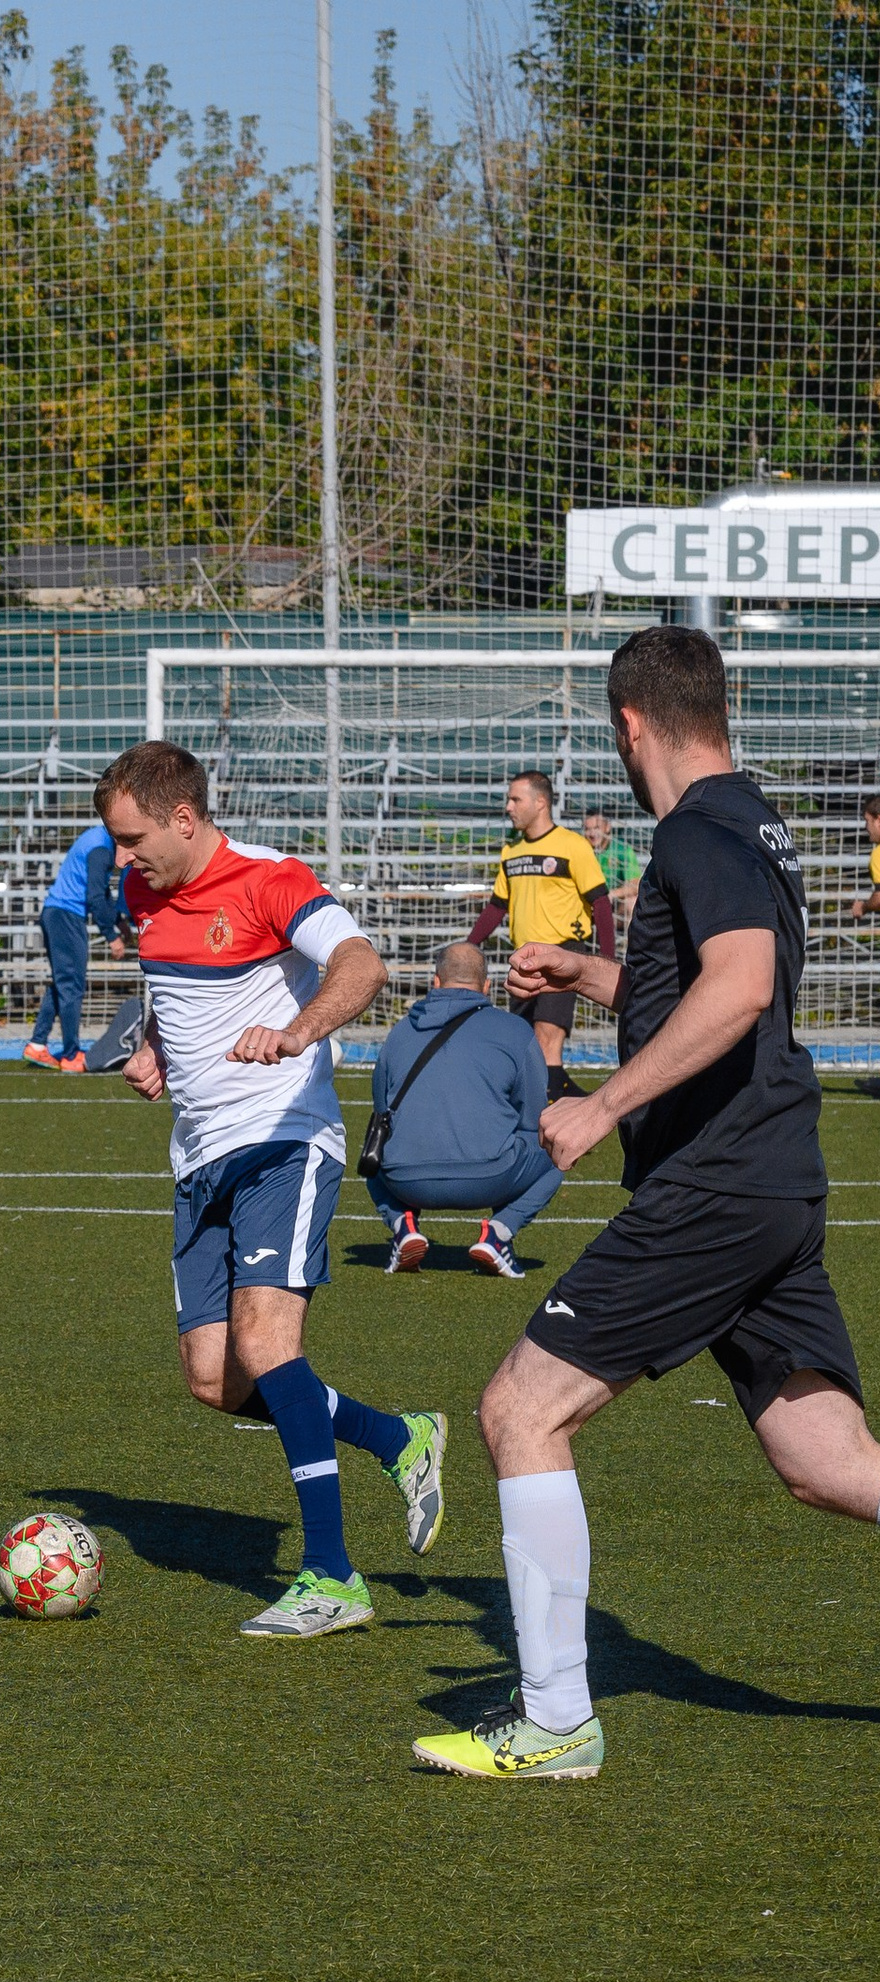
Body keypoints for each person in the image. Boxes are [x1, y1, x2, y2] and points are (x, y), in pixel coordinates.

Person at [427, 625, 880, 1781]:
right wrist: (585, 974)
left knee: (519, 1413)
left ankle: (552, 1722)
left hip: (715, 1186)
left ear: (630, 725)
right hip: (770, 1179)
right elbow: (699, 987)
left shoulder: (695, 827)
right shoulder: (756, 823)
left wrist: (598, 1107)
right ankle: (551, 1716)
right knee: (826, 1461)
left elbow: (741, 989)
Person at [101, 739, 444, 1639]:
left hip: (284, 1143)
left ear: (184, 817)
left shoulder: (271, 879)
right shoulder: (143, 889)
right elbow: (169, 993)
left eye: (134, 838)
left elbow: (363, 967)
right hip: (199, 1156)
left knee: (265, 1343)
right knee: (214, 1379)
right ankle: (395, 1437)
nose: (123, 858)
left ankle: (331, 1575)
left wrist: (298, 1031)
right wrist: (154, 1052)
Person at [365, 943, 564, 1279]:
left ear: (436, 982)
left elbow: (381, 1109)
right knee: (557, 1144)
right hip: (490, 1176)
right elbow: (533, 1118)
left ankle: (403, 1225)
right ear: (486, 986)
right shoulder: (515, 1030)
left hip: (405, 1179)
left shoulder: (398, 1033)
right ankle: (499, 1233)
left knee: (372, 1149)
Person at [467, 769, 613, 1102]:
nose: (508, 806)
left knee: (547, 1036)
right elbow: (496, 907)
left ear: (541, 801)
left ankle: (545, 1122)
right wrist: (468, 945)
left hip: (564, 953)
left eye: (515, 799)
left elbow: (600, 903)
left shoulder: (572, 845)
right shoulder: (511, 851)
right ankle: (571, 1101)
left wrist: (607, 959)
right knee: (529, 1044)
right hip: (524, 959)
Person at [24, 816, 126, 1071]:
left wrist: (118, 920)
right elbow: (95, 896)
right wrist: (111, 936)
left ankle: (37, 1045)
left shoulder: (98, 839)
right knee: (72, 986)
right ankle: (71, 1055)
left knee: (63, 982)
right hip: (65, 916)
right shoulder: (102, 850)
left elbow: (100, 893)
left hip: (56, 913)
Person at [587, 809, 640, 924]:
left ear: (607, 827)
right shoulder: (581, 849)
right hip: (587, 906)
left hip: (614, 908)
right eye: (587, 829)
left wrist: (611, 894)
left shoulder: (622, 850)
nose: (592, 834)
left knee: (632, 903)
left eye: (596, 828)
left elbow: (635, 885)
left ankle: (626, 942)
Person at [850, 794, 880, 923]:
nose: (866, 827)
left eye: (867, 821)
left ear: (878, 820)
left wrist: (863, 907)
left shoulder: (878, 855)